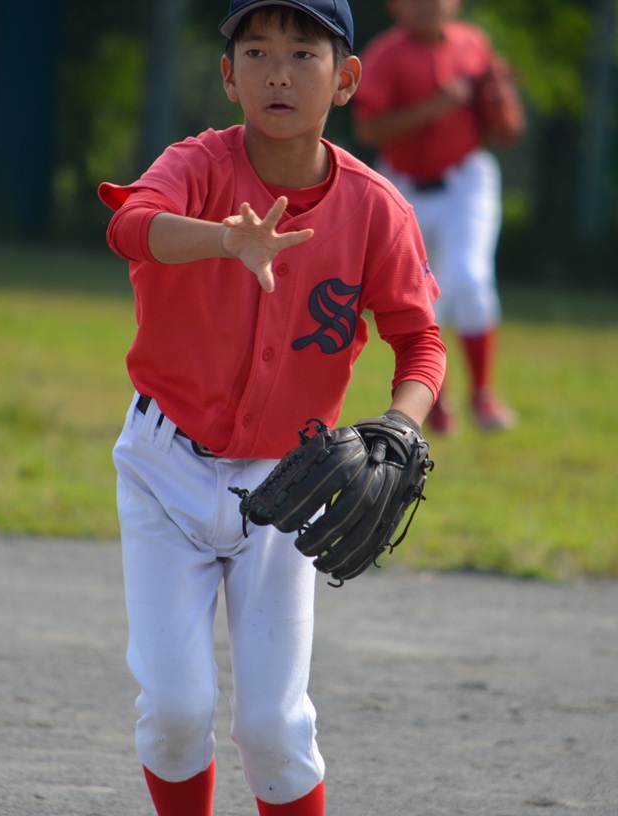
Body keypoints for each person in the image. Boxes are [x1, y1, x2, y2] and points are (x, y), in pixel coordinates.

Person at [96, 0, 446, 812]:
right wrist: (226, 239)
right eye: (254, 52)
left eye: (303, 52)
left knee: (276, 729)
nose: (278, 72)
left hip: (289, 486)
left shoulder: (374, 209)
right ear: (227, 77)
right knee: (177, 713)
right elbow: (130, 227)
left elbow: (420, 343)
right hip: (165, 470)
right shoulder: (197, 166)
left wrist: (401, 423)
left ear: (348, 78)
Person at [351, 0, 521, 433]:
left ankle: (484, 396)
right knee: (419, 294)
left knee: (469, 277)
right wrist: (437, 105)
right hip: (404, 184)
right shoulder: (385, 54)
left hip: (466, 179)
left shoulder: (473, 43)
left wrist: (500, 99)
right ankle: (436, 397)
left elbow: (503, 126)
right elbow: (369, 129)